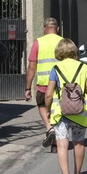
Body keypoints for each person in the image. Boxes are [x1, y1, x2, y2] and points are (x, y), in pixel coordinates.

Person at [42, 39, 87, 174]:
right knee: (79, 143)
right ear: (74, 51)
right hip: (80, 113)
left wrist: (47, 110)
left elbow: (48, 94)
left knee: (62, 145)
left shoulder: (56, 69)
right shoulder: (84, 67)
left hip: (61, 114)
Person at [22, 18, 64, 149]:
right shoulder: (63, 42)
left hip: (43, 85)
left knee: (42, 105)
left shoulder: (38, 43)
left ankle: (49, 127)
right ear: (57, 29)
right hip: (60, 85)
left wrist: (28, 88)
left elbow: (31, 67)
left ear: (44, 29)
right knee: (58, 111)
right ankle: (57, 141)